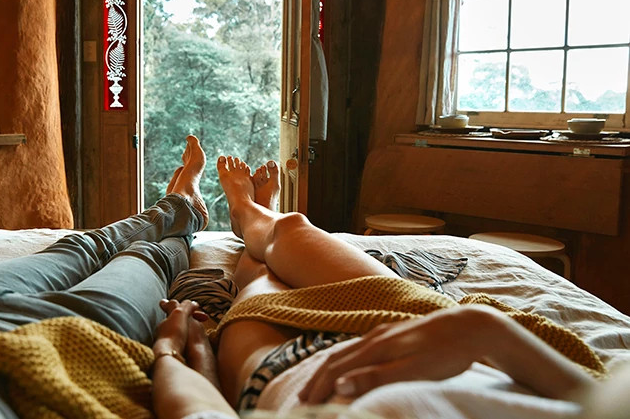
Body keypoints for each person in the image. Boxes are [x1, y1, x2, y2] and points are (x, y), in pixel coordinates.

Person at [150, 154, 615, 419]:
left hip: (286, 367)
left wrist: (175, 352)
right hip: (427, 331)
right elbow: (597, 400)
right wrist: (489, 332)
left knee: (258, 274)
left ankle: (247, 214)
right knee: (291, 231)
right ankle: (255, 215)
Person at [0, 136, 210, 419]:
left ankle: (178, 204)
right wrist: (169, 352)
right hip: (67, 352)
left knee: (82, 246)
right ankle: (184, 215)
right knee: (146, 258)